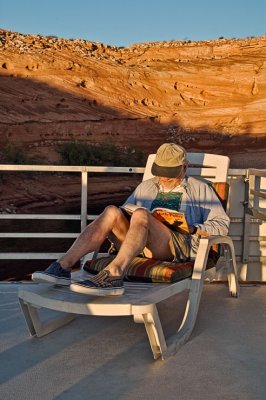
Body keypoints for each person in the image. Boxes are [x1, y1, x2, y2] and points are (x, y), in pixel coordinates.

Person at [32, 143, 230, 296]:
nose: (163, 178)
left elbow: (222, 225)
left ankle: (114, 274)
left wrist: (194, 228)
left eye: (169, 175)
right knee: (111, 211)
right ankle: (63, 266)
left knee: (142, 214)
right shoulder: (146, 187)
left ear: (184, 167)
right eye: (160, 173)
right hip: (138, 242)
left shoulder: (200, 189)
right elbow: (126, 210)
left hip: (174, 246)